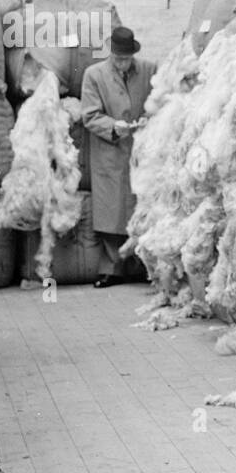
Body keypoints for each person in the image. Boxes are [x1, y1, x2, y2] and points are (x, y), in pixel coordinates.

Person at [80, 25, 156, 288]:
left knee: (142, 209)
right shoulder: (94, 75)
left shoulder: (148, 69)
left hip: (141, 151)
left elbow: (159, 99)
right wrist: (112, 126)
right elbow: (89, 114)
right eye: (119, 59)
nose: (124, 64)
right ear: (111, 55)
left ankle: (145, 268)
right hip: (110, 151)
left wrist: (151, 117)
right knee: (112, 213)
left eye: (127, 59)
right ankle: (112, 270)